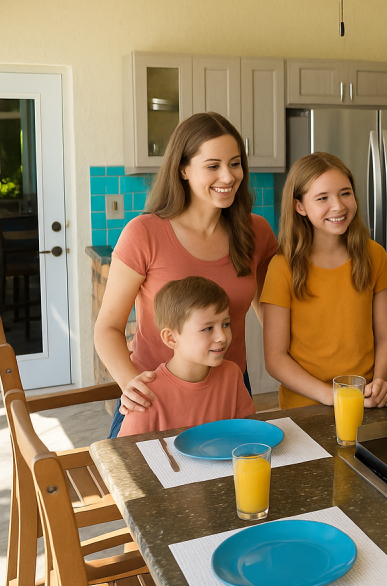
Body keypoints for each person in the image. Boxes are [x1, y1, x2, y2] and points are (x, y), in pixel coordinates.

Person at [94, 112, 278, 438]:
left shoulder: (257, 233)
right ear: (183, 169)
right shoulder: (144, 233)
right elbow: (107, 328)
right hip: (155, 398)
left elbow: (271, 310)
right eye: (212, 165)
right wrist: (130, 383)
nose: (228, 175)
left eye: (235, 163)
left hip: (228, 389)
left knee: (235, 485)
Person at [261, 152, 387, 409]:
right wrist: (331, 396)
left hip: (364, 401)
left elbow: (386, 337)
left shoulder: (375, 255)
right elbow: (275, 358)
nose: (338, 206)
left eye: (345, 193)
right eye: (322, 198)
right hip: (304, 409)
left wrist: (380, 383)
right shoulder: (283, 267)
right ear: (299, 206)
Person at [117, 277, 255, 436]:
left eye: (225, 324)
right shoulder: (145, 395)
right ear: (171, 338)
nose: (222, 337)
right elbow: (127, 456)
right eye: (208, 328)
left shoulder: (232, 374)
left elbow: (248, 433)